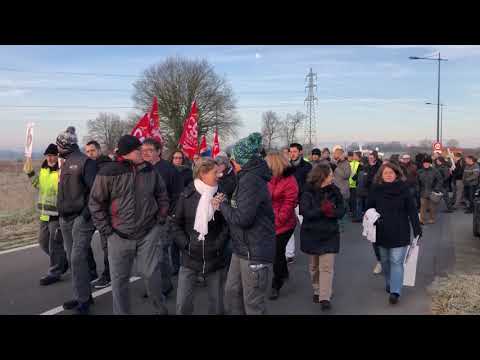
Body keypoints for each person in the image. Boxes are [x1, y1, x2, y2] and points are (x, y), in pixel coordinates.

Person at [89, 135, 169, 315]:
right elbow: (95, 203)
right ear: (126, 153)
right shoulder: (108, 172)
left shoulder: (149, 170)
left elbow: (162, 194)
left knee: (151, 276)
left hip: (148, 233)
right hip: (118, 236)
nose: (142, 152)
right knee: (119, 282)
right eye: (137, 150)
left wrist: (160, 220)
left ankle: (160, 310)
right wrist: (107, 231)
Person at [216, 132, 275, 315]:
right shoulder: (245, 177)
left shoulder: (251, 180)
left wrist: (222, 205)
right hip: (242, 247)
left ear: (240, 160)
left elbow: (243, 218)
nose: (232, 165)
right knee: (232, 292)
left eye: (233, 161)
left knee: (252, 303)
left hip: (254, 251)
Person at [172, 158, 229, 315]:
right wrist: (186, 245)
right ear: (203, 173)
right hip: (189, 258)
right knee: (183, 305)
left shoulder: (221, 195)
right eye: (215, 172)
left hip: (215, 258)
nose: (219, 175)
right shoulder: (187, 195)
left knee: (217, 306)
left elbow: (227, 225)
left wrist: (217, 245)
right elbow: (175, 224)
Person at [56, 127, 98, 314]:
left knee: (77, 258)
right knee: (73, 260)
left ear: (66, 146)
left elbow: (96, 193)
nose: (57, 148)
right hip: (65, 219)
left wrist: (85, 215)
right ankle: (83, 294)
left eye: (59, 145)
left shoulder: (85, 162)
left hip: (81, 219)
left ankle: (84, 301)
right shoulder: (64, 163)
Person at [366, 162, 422, 305]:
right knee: (385, 261)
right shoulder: (375, 189)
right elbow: (368, 208)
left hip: (400, 230)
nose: (389, 175)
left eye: (391, 173)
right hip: (381, 231)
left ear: (396, 174)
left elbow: (412, 209)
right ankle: (390, 282)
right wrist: (370, 219)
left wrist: (417, 229)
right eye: (386, 173)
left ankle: (395, 292)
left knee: (396, 261)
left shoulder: (404, 189)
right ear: (381, 175)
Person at [300, 164, 345, 311]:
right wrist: (322, 210)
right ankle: (317, 289)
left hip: (329, 233)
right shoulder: (308, 192)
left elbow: (342, 210)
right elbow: (305, 212)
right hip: (311, 233)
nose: (332, 176)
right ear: (322, 176)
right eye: (330, 174)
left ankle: (324, 297)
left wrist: (333, 212)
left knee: (326, 267)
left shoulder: (335, 191)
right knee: (314, 267)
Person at [24, 144, 68, 286]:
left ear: (57, 156)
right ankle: (62, 261)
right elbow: (39, 185)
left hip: (56, 213)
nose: (49, 158)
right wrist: (30, 173)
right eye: (47, 155)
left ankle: (55, 272)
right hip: (44, 213)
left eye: (52, 155)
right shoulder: (44, 169)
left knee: (54, 244)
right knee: (43, 242)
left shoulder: (62, 170)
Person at [141, 138, 182, 289]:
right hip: (145, 219)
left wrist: (171, 216)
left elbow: (178, 195)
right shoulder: (141, 168)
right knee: (148, 255)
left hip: (164, 219)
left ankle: (164, 286)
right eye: (143, 150)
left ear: (158, 151)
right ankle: (153, 286)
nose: (145, 153)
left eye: (149, 150)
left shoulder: (169, 169)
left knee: (160, 253)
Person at [265, 151, 298, 300]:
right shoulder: (266, 178)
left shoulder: (289, 180)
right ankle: (283, 273)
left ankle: (276, 284)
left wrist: (277, 222)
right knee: (275, 253)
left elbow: (289, 204)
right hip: (269, 221)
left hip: (285, 223)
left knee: (277, 253)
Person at [84, 140, 113, 289]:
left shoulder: (106, 166)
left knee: (107, 246)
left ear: (99, 150)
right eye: (87, 152)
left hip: (106, 213)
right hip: (93, 212)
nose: (90, 154)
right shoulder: (87, 166)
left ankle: (109, 275)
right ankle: (94, 272)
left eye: (92, 151)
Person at [285, 143, 312, 264]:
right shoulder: (286, 166)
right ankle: (289, 254)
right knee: (288, 228)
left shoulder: (307, 166)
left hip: (301, 201)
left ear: (300, 152)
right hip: (288, 202)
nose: (292, 154)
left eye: (294, 151)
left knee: (306, 226)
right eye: (290, 152)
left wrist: (302, 196)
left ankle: (313, 249)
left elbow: (310, 184)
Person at [366, 151, 383, 274]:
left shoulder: (399, 187)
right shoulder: (368, 168)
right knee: (375, 239)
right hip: (375, 211)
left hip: (391, 217)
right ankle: (380, 261)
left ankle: (388, 262)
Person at [418, 156, 442, 224]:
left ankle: (432, 218)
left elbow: (440, 180)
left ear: (430, 164)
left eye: (427, 163)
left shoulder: (435, 171)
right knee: (423, 206)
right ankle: (422, 219)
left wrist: (436, 188)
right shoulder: (420, 171)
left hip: (432, 191)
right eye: (425, 163)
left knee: (432, 207)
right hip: (423, 191)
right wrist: (418, 189)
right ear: (422, 164)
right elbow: (417, 182)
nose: (426, 164)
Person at [331, 145, 351, 229]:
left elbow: (346, 175)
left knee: (343, 209)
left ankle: (342, 226)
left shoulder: (346, 164)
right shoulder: (332, 162)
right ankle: (336, 225)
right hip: (333, 190)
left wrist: (336, 168)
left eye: (338, 154)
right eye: (335, 153)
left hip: (343, 191)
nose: (336, 155)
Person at [348, 151, 361, 219]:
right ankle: (351, 212)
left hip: (355, 185)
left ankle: (354, 213)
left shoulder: (359, 164)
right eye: (353, 155)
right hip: (349, 184)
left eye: (354, 155)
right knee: (349, 200)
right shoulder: (349, 163)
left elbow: (358, 174)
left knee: (354, 200)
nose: (353, 157)